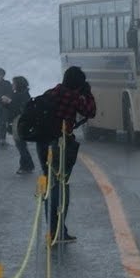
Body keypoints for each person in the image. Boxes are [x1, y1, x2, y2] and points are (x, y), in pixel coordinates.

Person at [42, 66, 97, 244]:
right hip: (60, 143)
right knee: (60, 186)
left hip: (43, 141)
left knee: (51, 183)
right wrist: (87, 94)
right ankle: (57, 231)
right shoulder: (72, 97)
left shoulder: (52, 92)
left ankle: (53, 229)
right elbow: (90, 111)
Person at [12, 75, 37, 174]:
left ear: (18, 84)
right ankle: (25, 165)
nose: (12, 85)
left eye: (14, 83)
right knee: (21, 145)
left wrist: (10, 102)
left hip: (21, 122)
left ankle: (27, 165)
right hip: (20, 122)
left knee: (20, 145)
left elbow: (21, 108)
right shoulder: (23, 94)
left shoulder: (22, 95)